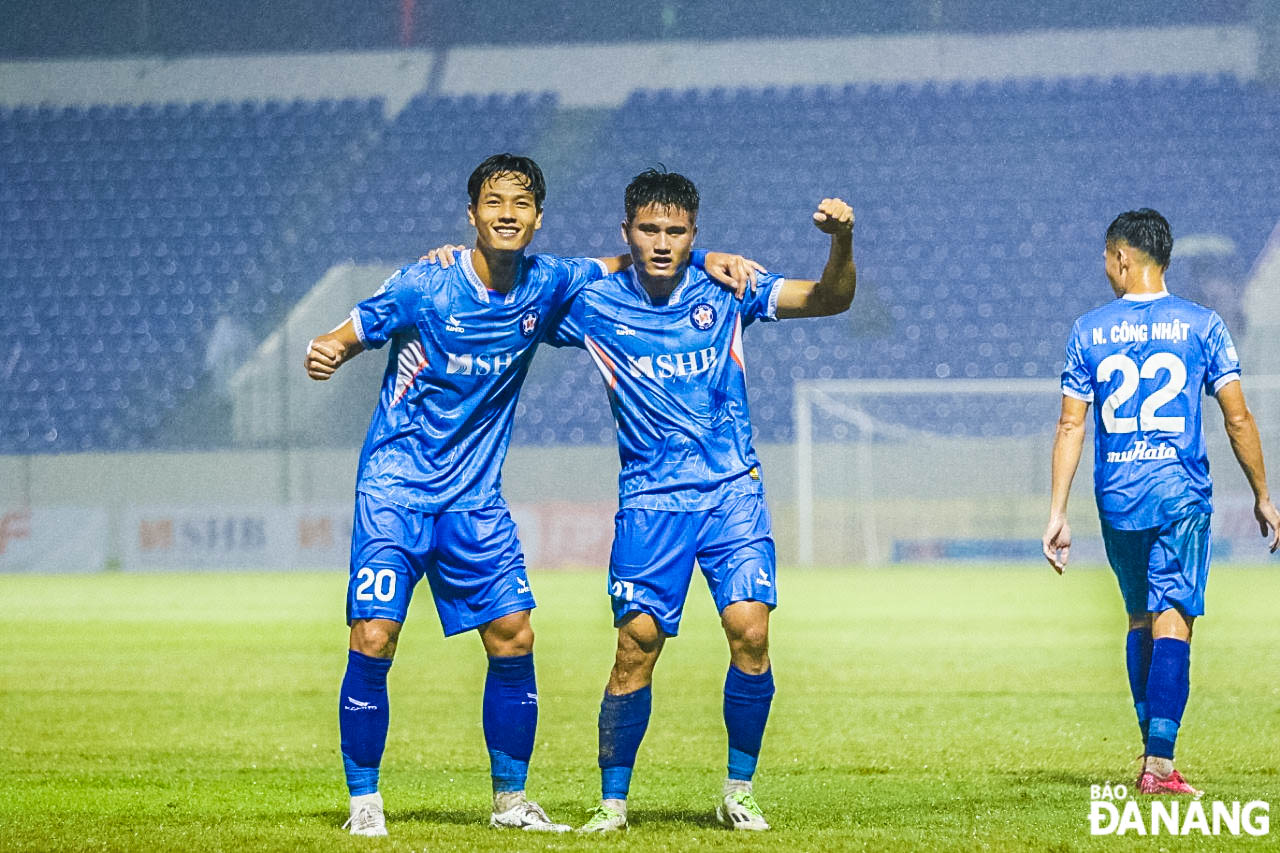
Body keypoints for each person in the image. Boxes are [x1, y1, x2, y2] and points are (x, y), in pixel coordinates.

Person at [303, 153, 757, 837]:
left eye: (520, 203)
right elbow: (353, 328)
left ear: (538, 218)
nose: (507, 213)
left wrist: (704, 257)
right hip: (395, 490)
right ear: (472, 214)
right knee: (374, 634)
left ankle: (510, 803)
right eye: (494, 202)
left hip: (475, 502)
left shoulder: (548, 282)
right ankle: (365, 803)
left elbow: (629, 259)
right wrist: (330, 348)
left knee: (515, 637)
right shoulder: (426, 285)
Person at [547, 169, 856, 832]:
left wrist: (843, 242)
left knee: (751, 631)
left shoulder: (727, 288)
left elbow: (831, 299)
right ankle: (612, 804)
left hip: (730, 492)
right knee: (638, 644)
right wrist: (454, 262)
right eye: (649, 230)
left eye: (676, 231)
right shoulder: (594, 303)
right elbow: (509, 290)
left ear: (694, 234)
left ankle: (738, 791)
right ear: (626, 232)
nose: (662, 243)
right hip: (651, 501)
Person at [1042, 208, 1279, 797]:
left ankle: (1152, 755)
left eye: (1105, 258)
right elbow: (1238, 417)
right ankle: (1160, 765)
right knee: (1174, 615)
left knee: (1139, 618)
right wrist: (1263, 495)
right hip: (1179, 494)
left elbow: (1071, 426)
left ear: (1123, 258)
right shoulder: (1204, 325)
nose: (1105, 269)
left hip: (1117, 496)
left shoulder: (1087, 331)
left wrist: (1057, 511)